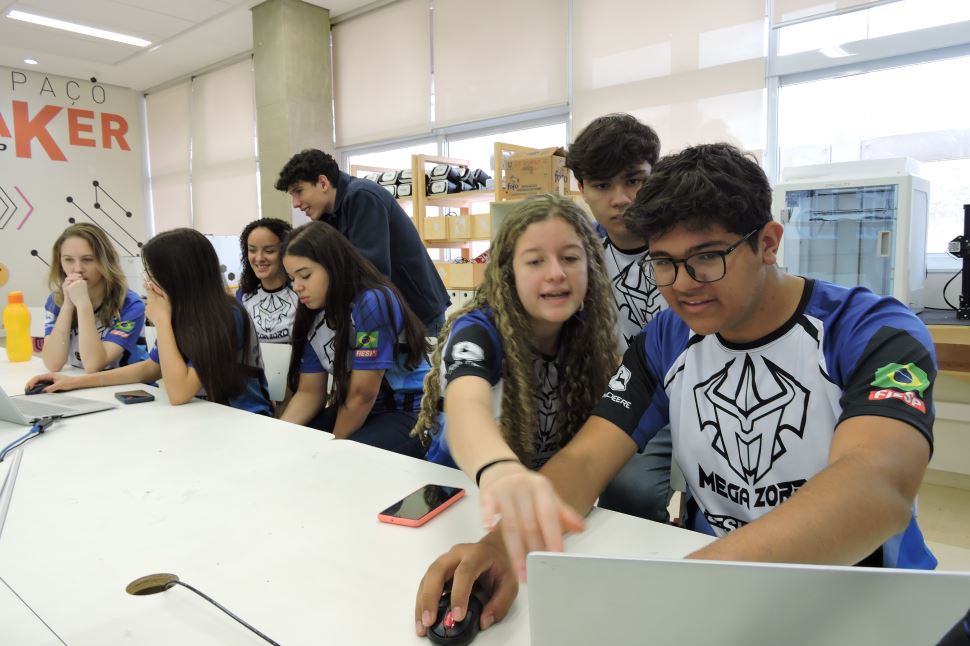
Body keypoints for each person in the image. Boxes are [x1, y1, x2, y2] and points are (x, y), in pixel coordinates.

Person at [414, 143, 938, 637]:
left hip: (864, 594)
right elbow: (585, 461)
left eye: (707, 257)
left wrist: (682, 585)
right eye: (663, 262)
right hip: (723, 594)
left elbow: (876, 489)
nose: (682, 283)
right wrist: (504, 546)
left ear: (769, 243)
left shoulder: (871, 332)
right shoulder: (666, 339)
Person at [413, 194, 618, 478]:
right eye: (535, 261)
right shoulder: (478, 330)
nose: (556, 273)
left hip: (539, 493)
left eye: (570, 258)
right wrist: (498, 470)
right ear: (509, 273)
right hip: (461, 491)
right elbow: (466, 405)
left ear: (591, 266)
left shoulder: (589, 333)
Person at [28, 229, 272, 416]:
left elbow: (179, 393)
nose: (147, 282)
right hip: (203, 415)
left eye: (153, 273)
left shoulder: (226, 314)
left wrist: (162, 321)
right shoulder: (180, 309)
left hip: (240, 418)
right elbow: (150, 368)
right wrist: (74, 383)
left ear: (178, 275)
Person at [566, 113, 673, 523]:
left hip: (699, 385)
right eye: (602, 185)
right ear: (582, 189)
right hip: (628, 394)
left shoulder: (686, 240)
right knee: (630, 495)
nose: (621, 199)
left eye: (634, 180)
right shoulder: (578, 253)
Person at [279, 221, 429, 457]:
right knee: (292, 448)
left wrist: (332, 448)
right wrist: (278, 436)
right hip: (358, 409)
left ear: (334, 266)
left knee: (336, 459)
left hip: (408, 413)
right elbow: (310, 393)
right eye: (291, 278)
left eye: (305, 275)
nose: (297, 287)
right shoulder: (313, 314)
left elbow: (363, 394)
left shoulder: (372, 302)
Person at [275, 149, 450, 336]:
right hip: (384, 314)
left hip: (416, 315)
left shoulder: (362, 196)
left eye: (298, 192)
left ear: (323, 182)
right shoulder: (326, 215)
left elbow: (372, 270)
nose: (295, 203)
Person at [41, 223, 147, 373]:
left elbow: (94, 365)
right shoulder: (55, 301)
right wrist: (67, 305)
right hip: (84, 385)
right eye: (68, 260)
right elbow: (53, 363)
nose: (77, 269)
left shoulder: (131, 305)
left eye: (88, 259)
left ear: (105, 261)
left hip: (128, 388)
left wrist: (83, 304)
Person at [237, 218, 299, 344]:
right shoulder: (243, 295)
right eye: (252, 250)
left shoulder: (301, 291)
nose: (259, 258)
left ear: (285, 251)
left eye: (269, 251)